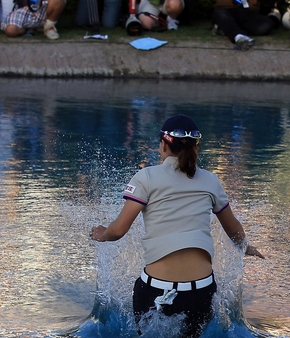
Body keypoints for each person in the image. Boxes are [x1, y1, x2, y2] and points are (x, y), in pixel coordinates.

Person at [90, 114, 264, 336]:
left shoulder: (146, 177)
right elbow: (233, 229)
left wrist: (102, 234)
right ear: (196, 148)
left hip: (156, 289)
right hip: (201, 292)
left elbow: (118, 231)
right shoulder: (210, 180)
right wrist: (246, 247)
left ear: (163, 145)